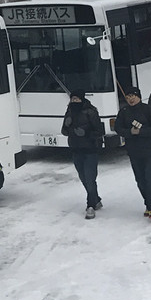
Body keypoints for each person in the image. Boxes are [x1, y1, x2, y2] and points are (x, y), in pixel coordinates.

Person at [114, 87, 151, 220]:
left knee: (150, 179)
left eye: (133, 96)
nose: (130, 99)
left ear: (138, 96)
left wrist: (141, 132)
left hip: (149, 150)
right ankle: (148, 204)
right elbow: (118, 128)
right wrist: (129, 132)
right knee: (140, 180)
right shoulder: (124, 112)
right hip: (133, 150)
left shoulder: (149, 109)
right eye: (128, 97)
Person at [61, 89, 105, 218]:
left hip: (90, 149)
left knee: (90, 178)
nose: (74, 101)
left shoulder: (90, 112)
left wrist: (86, 133)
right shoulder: (69, 111)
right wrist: (67, 127)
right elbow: (64, 131)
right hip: (76, 149)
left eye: (77, 99)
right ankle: (96, 199)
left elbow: (99, 131)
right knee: (83, 177)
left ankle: (90, 206)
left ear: (82, 99)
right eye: (72, 99)